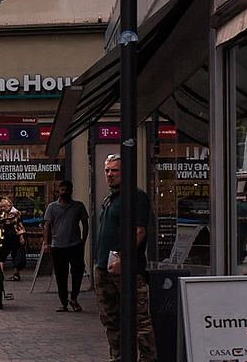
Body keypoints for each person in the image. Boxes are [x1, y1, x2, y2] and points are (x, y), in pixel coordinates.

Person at [94, 154, 156, 362]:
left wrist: (124, 260)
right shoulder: (110, 198)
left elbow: (139, 232)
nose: (109, 174)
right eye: (107, 171)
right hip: (104, 268)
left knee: (139, 320)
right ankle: (118, 358)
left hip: (127, 270)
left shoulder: (136, 196)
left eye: (114, 170)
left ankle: (148, 359)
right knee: (110, 319)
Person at [43, 180, 89, 311]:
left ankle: (74, 298)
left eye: (66, 190)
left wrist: (82, 241)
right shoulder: (52, 207)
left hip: (74, 245)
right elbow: (47, 225)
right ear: (59, 191)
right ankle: (63, 302)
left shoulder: (78, 206)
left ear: (71, 191)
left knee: (77, 273)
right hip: (58, 246)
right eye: (62, 190)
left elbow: (85, 223)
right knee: (60, 275)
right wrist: (47, 243)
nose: (64, 193)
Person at [0, 197, 27, 280]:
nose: (2, 209)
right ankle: (1, 272)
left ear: (8, 206)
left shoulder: (15, 213)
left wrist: (21, 237)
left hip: (15, 235)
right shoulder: (6, 213)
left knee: (15, 254)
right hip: (8, 235)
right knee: (2, 252)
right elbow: (0, 223)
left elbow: (19, 225)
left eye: (3, 207)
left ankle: (16, 273)